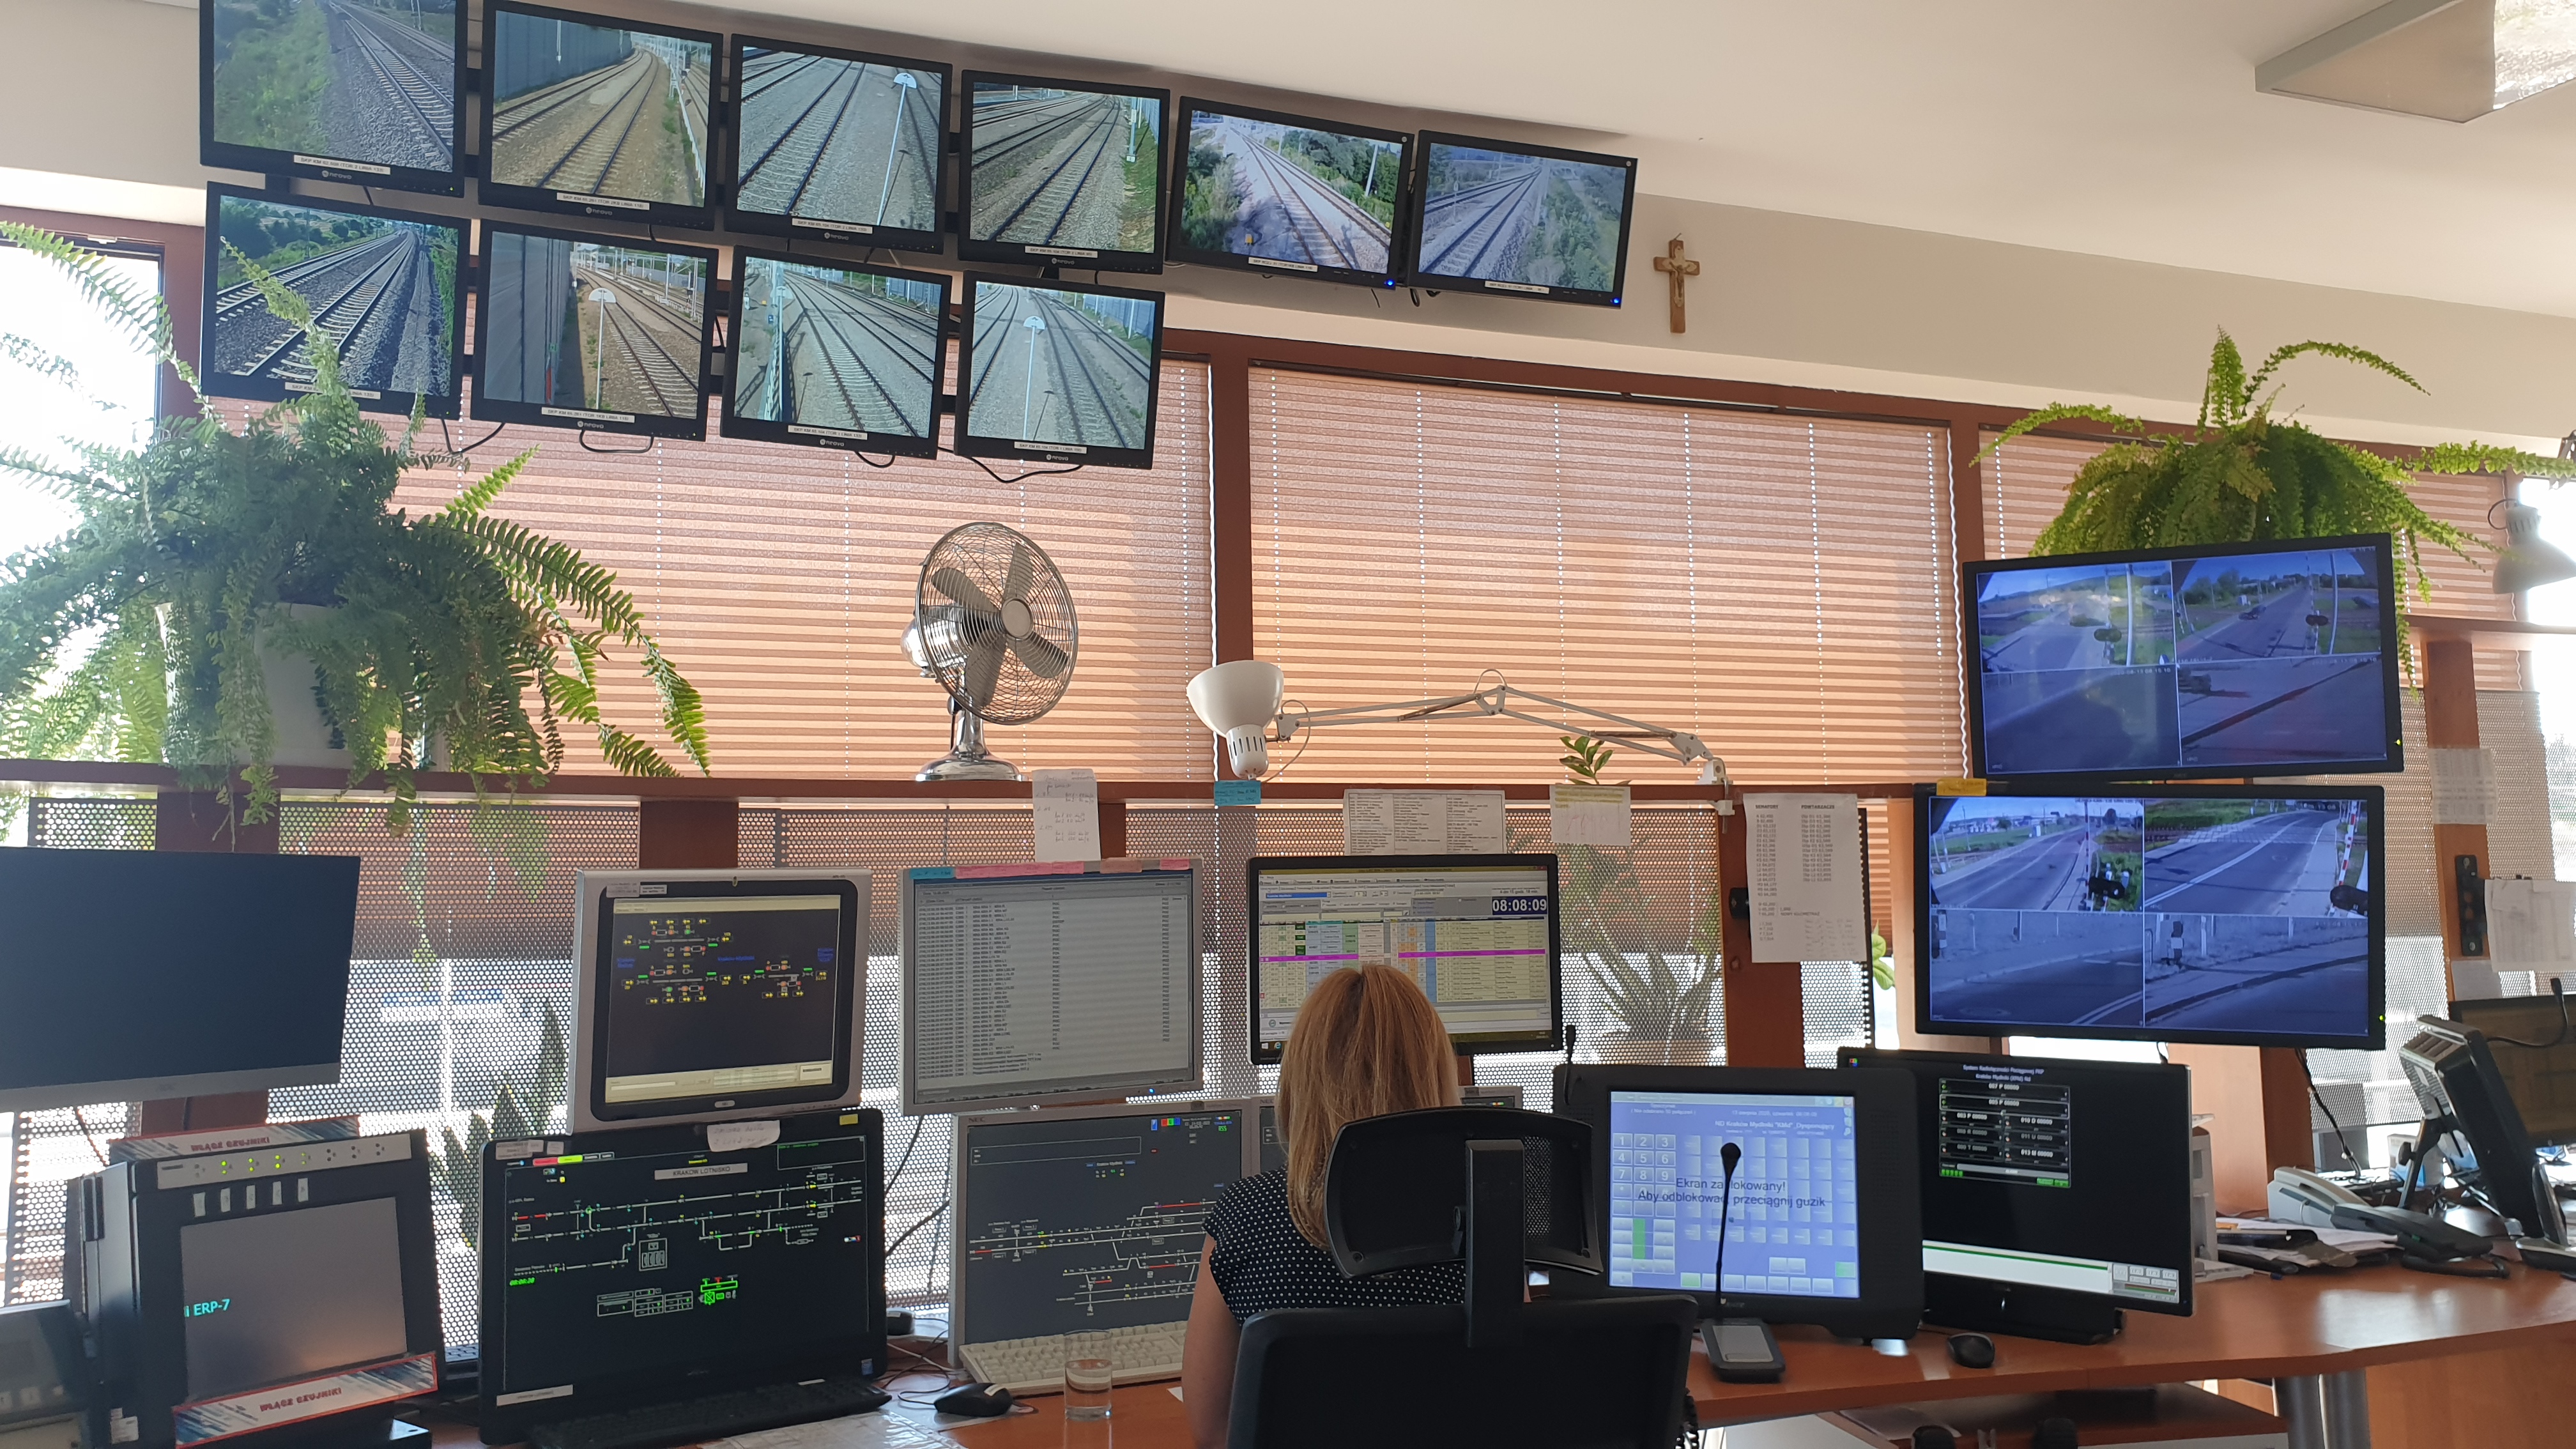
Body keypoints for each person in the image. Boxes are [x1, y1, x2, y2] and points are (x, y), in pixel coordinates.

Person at [1180, 963, 1463, 1447]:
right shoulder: (1481, 1225)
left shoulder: (1245, 1216)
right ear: (1434, 1078)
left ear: (1300, 1081)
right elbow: (1511, 1400)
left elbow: (1212, 1431)